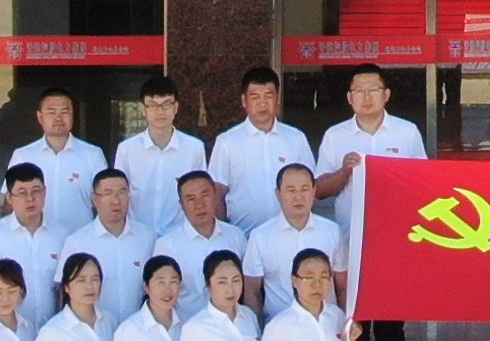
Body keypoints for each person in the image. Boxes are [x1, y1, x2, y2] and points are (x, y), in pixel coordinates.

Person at [311, 64, 425, 341]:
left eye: (372, 89)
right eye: (358, 91)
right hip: (350, 246)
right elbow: (318, 189)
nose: (366, 97)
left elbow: (423, 185)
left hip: (392, 247)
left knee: (390, 329)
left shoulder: (407, 132)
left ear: (386, 94)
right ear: (349, 98)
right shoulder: (335, 136)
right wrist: (344, 172)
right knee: (355, 325)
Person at [209, 66, 316, 230]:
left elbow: (310, 188)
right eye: (255, 97)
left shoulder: (296, 138)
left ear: (277, 99)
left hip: (289, 235)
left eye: (268, 96)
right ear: (244, 101)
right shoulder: (227, 142)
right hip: (243, 234)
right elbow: (217, 194)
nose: (262, 103)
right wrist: (225, 235)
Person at [63, 167, 157, 331]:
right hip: (96, 331)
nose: (116, 201)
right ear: (94, 199)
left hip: (140, 332)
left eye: (122, 193)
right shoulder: (77, 242)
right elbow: (64, 293)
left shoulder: (148, 237)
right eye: (108, 193)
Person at [246, 163, 343, 317]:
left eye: (304, 189)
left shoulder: (333, 231)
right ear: (278, 194)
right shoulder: (260, 237)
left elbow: (342, 286)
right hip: (280, 326)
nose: (298, 197)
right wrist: (257, 328)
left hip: (326, 324)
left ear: (314, 191)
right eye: (291, 190)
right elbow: (252, 291)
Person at [0, 166, 65, 326]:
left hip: (53, 330)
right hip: (10, 331)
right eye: (22, 193)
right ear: (9, 197)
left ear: (45, 192)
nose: (30, 199)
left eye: (36, 191)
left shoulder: (62, 234)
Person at [15, 90, 110, 239]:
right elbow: (11, 204)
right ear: (40, 117)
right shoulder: (23, 156)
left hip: (82, 240)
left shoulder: (93, 154)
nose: (58, 118)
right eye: (51, 112)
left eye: (64, 112)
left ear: (73, 116)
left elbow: (105, 200)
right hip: (37, 240)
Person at [114, 73, 212, 207]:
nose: (160, 112)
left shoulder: (194, 148)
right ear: (143, 109)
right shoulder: (126, 149)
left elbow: (200, 192)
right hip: (139, 221)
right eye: (153, 105)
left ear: (176, 107)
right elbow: (120, 193)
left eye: (166, 104)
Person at [157, 168, 249, 295]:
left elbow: (247, 285)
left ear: (215, 196)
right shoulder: (167, 245)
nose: (199, 205)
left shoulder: (236, 236)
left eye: (205, 196)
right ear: (182, 205)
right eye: (191, 199)